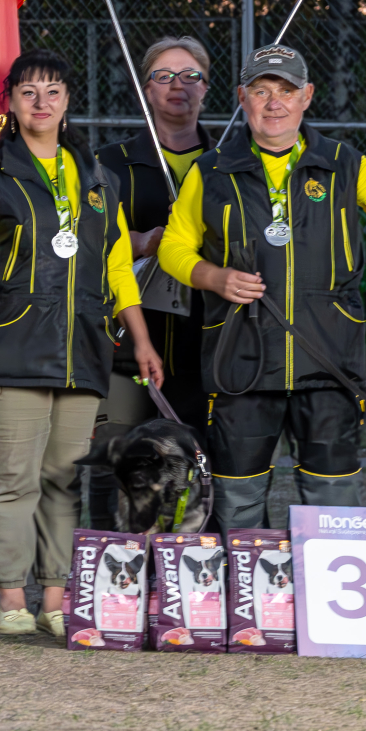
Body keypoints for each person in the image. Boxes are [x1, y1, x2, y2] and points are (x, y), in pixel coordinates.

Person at [0, 50, 164, 637]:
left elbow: (118, 268)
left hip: (82, 351)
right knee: (15, 478)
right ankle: (12, 596)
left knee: (64, 478)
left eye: (53, 92)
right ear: (9, 103)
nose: (42, 103)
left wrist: (139, 340)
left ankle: (55, 601)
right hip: (7, 350)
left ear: (68, 101)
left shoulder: (97, 178)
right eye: (29, 92)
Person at [157, 46, 366, 530]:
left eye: (285, 91)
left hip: (328, 362)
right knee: (237, 497)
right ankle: (247, 602)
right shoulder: (211, 170)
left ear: (307, 97)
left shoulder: (343, 163)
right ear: (243, 98)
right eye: (261, 91)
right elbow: (173, 248)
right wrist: (213, 277)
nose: (273, 103)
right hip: (240, 360)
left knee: (333, 497)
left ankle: (322, 605)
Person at [89, 36, 213, 525]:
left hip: (208, 344)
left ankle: (198, 575)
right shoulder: (110, 162)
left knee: (201, 461)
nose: (177, 86)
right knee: (115, 458)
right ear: (145, 89)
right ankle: (108, 570)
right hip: (127, 343)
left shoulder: (231, 159)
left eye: (190, 76)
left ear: (208, 86)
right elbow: (79, 250)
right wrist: (138, 243)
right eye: (164, 76)